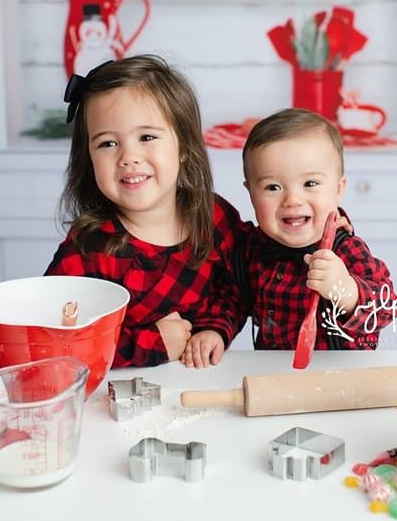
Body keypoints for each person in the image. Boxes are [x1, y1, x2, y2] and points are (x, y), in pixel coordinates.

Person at [45, 55, 248, 368]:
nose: (128, 157)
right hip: (115, 398)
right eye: (108, 143)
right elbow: (60, 341)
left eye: (147, 137)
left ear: (183, 148)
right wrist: (154, 343)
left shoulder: (212, 217)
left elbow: (238, 286)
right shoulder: (89, 246)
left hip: (199, 382)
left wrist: (214, 329)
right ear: (89, 159)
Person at [226, 108, 397, 350]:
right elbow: (231, 300)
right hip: (271, 373)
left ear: (338, 189)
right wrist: (216, 331)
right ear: (251, 193)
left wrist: (346, 290)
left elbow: (387, 307)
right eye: (273, 187)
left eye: (310, 183)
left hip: (339, 377)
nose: (293, 200)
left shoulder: (346, 250)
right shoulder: (254, 248)